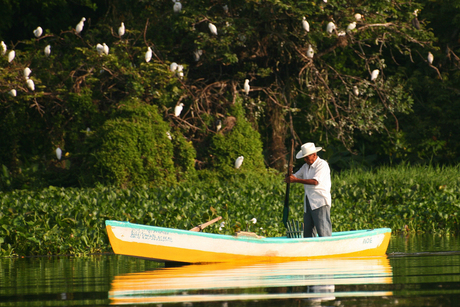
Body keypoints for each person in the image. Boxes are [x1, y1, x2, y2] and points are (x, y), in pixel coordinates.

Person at [285, 142, 332, 237]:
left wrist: (296, 180)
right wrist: (289, 176)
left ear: (314, 155)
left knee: (323, 229)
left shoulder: (322, 165)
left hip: (320, 201)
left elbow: (315, 182)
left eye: (307, 157)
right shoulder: (305, 166)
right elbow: (296, 176)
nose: (305, 160)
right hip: (309, 201)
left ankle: (327, 248)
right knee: (308, 230)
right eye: (304, 158)